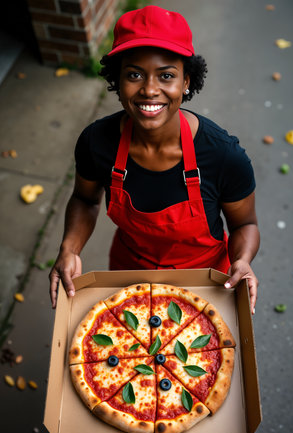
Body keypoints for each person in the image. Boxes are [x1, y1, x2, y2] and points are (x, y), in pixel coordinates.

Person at [49, 5, 260, 314]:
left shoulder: (223, 155)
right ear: (117, 80)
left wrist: (242, 262)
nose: (149, 90)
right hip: (130, 274)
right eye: (134, 74)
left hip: (207, 281)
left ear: (186, 82)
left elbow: (246, 223)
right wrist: (68, 249)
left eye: (166, 76)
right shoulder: (96, 142)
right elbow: (84, 199)